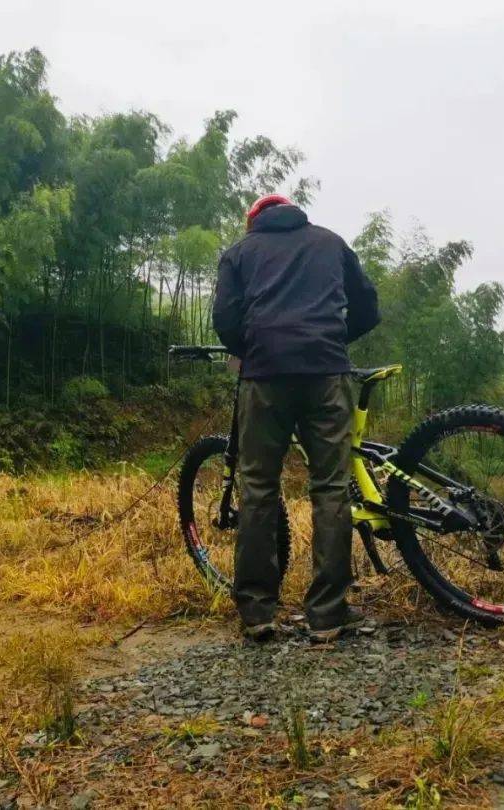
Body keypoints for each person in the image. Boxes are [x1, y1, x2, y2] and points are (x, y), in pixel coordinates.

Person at [212, 193, 381, 642]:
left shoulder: (239, 253)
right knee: (329, 487)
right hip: (326, 374)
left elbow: (224, 321)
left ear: (254, 222)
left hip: (264, 377)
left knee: (258, 487)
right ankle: (327, 614)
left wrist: (252, 350)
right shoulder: (331, 243)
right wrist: (332, 339)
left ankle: (257, 613)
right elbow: (368, 307)